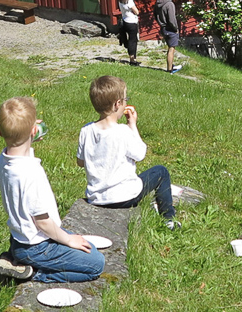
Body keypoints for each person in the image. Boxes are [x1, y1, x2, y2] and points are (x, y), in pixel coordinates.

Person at [0, 95, 105, 283]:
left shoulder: (6, 159)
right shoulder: (31, 173)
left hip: (20, 240)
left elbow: (20, 147)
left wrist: (28, 135)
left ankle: (13, 258)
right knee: (96, 263)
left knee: (87, 246)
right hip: (38, 247)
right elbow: (42, 222)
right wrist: (69, 240)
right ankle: (32, 273)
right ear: (33, 130)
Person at [77, 75, 179, 228]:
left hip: (97, 197)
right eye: (125, 99)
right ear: (117, 104)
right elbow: (140, 154)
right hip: (124, 197)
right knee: (161, 172)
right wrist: (133, 125)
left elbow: (80, 162)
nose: (126, 103)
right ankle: (168, 218)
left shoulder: (86, 130)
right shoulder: (122, 131)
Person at [154, 0, 183, 73]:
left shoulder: (158, 2)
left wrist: (160, 24)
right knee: (171, 49)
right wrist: (175, 29)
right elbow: (171, 19)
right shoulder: (169, 4)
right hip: (170, 29)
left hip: (163, 28)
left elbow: (155, 14)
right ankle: (169, 69)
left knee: (169, 48)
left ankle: (170, 65)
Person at [116, 0, 139, 65]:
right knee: (133, 41)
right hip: (132, 22)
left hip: (125, 20)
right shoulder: (129, 1)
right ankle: (132, 60)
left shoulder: (121, 0)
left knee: (130, 40)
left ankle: (132, 58)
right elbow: (136, 11)